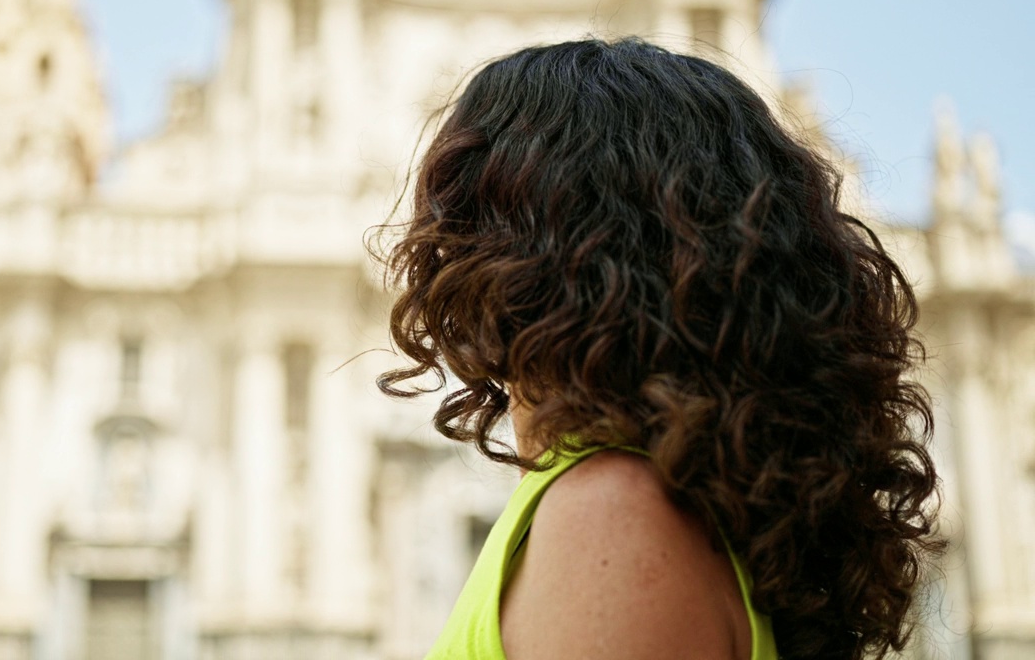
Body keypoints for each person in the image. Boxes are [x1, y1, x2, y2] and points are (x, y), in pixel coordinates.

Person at [377, 38, 943, 660]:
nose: (433, 241)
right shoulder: (637, 506)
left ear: (528, 255)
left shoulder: (612, 514)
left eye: (460, 207)